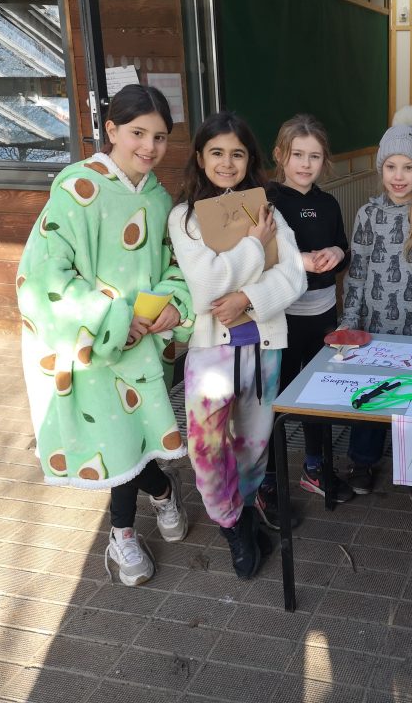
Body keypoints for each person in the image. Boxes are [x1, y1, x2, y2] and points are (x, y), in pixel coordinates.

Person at [17, 84, 193, 587]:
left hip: (145, 347)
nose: (149, 147)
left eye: (160, 137)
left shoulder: (159, 198)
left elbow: (177, 265)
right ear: (111, 130)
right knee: (118, 441)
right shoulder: (77, 191)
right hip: (95, 346)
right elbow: (44, 276)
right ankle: (126, 532)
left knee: (133, 439)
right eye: (138, 133)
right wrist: (111, 318)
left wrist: (171, 307)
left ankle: (158, 494)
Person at [168, 112, 306, 579]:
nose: (227, 163)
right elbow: (206, 286)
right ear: (201, 158)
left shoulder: (268, 211)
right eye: (217, 153)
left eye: (238, 153)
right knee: (206, 449)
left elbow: (295, 275)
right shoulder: (184, 219)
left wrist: (248, 296)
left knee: (253, 446)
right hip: (212, 354)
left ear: (250, 160)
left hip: (264, 347)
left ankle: (246, 511)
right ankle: (233, 527)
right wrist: (253, 248)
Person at [340, 107, 412, 497]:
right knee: (372, 393)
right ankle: (362, 460)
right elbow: (358, 272)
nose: (398, 177)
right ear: (380, 168)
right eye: (391, 167)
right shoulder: (367, 214)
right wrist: (348, 320)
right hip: (372, 325)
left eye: (408, 167)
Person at [265, 115, 352, 512]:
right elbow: (257, 258)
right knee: (277, 396)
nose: (305, 164)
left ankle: (315, 467)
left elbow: (341, 250)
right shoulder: (266, 201)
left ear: (324, 161)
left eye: (314, 156)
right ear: (280, 155)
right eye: (297, 154)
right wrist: (298, 261)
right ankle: (267, 476)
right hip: (281, 319)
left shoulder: (328, 202)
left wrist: (336, 255)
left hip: (323, 314)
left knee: (319, 394)